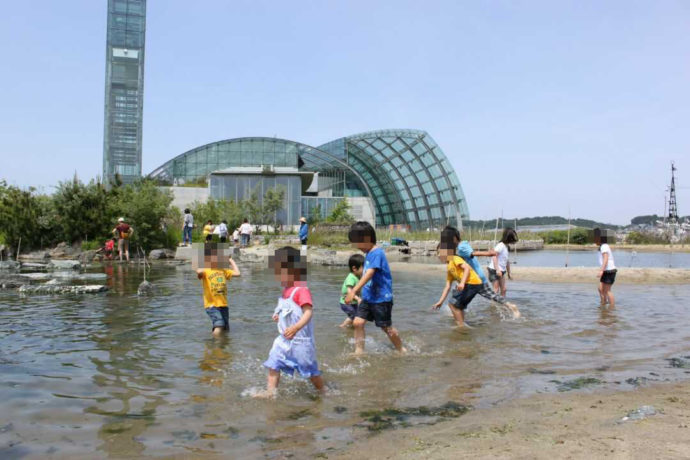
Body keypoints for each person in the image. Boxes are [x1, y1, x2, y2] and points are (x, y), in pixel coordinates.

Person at [259, 246, 324, 397]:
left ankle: (323, 391)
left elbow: (308, 312)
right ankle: (270, 392)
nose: (276, 274)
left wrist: (295, 327)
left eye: (279, 270)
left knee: (310, 372)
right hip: (284, 340)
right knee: (273, 362)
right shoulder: (286, 290)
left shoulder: (301, 290)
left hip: (301, 342)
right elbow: (287, 309)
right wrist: (278, 315)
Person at [344, 221, 405, 355]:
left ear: (366, 238)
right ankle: (359, 352)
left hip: (381, 299)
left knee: (386, 327)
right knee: (358, 323)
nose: (356, 246)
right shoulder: (369, 254)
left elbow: (370, 273)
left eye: (357, 242)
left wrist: (354, 291)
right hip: (368, 297)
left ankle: (401, 349)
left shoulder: (377, 253)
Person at [444, 226, 520, 318]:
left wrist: (488, 253)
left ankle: (459, 317)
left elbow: (473, 253)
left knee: (457, 300)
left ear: (454, 238)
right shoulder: (463, 244)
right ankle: (510, 306)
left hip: (475, 279)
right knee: (491, 296)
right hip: (475, 278)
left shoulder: (461, 247)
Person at [431, 238, 484, 328]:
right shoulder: (449, 267)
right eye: (438, 252)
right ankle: (461, 323)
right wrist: (440, 302)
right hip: (471, 284)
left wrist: (462, 283)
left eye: (441, 252)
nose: (439, 255)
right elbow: (447, 287)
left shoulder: (455, 259)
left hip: (473, 283)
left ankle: (461, 326)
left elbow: (467, 268)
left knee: (452, 304)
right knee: (457, 306)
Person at [196, 244, 241, 337]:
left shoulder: (223, 270)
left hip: (223, 304)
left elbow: (238, 273)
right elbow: (198, 271)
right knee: (219, 324)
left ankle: (222, 346)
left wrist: (230, 260)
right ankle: (215, 345)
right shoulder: (206, 270)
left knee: (225, 328)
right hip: (211, 305)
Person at [488, 228, 519, 297]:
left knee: (504, 289)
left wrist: (509, 273)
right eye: (513, 238)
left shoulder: (507, 247)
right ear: (509, 238)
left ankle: (502, 304)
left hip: (501, 271)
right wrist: (497, 269)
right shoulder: (500, 245)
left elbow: (507, 261)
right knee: (496, 290)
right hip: (494, 270)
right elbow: (494, 257)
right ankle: (494, 306)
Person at [339, 254, 364, 328]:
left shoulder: (358, 276)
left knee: (357, 316)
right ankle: (342, 326)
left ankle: (351, 328)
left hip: (353, 303)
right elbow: (349, 291)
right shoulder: (351, 277)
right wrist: (358, 299)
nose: (365, 269)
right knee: (354, 315)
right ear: (354, 268)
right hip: (346, 303)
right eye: (363, 267)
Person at [594, 228, 616, 307]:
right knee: (600, 289)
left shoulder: (604, 246)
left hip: (609, 271)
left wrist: (601, 270)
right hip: (606, 271)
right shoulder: (602, 246)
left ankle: (612, 307)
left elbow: (605, 258)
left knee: (607, 291)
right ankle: (603, 304)